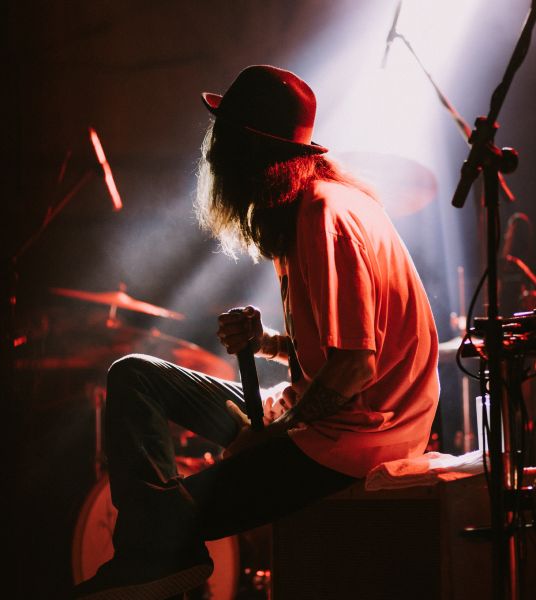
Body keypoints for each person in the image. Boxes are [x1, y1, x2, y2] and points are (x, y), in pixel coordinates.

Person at [72, 64, 440, 600]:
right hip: (325, 420)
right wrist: (266, 342)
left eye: (222, 143)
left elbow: (356, 367)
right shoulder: (303, 209)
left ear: (251, 152)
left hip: (359, 438)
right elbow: (338, 348)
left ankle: (153, 555)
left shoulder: (326, 216)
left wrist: (270, 435)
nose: (212, 157)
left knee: (164, 524)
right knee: (134, 375)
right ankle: (155, 554)